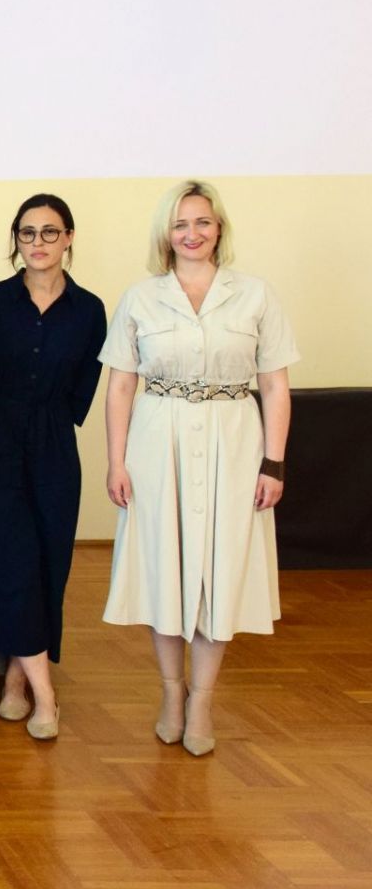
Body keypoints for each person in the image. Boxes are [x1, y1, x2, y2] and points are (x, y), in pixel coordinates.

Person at [100, 180, 295, 757]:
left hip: (234, 441)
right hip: (156, 443)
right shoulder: (140, 298)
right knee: (163, 566)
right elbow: (121, 386)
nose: (192, 233)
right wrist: (116, 461)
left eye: (202, 222)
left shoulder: (255, 295)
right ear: (166, 234)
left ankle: (203, 698)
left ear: (219, 228)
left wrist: (274, 464)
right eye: (181, 224)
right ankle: (171, 693)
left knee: (221, 568)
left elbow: (275, 385)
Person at [0, 195, 106, 741]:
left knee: (48, 565)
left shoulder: (90, 310)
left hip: (54, 447)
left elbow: (84, 386)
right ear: (16, 240)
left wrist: (47, 424)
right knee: (12, 563)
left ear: (69, 238)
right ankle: (45, 695)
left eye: (50, 232)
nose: (38, 243)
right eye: (27, 233)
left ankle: (15, 679)